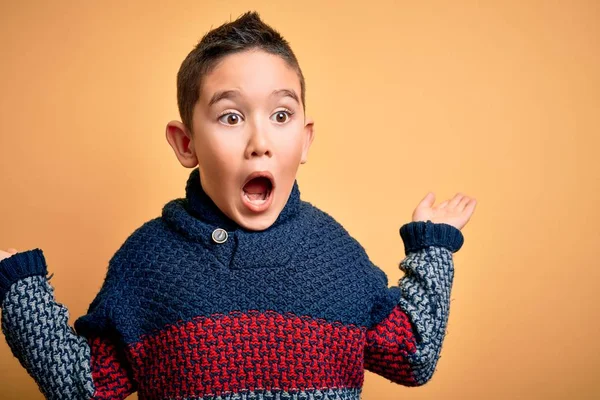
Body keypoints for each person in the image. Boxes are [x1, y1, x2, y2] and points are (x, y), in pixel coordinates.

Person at [0, 11, 476, 400]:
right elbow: (82, 385)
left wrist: (433, 249)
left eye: (282, 115)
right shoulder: (148, 263)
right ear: (186, 143)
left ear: (305, 140)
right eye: (231, 116)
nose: (260, 141)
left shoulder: (336, 256)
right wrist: (19, 291)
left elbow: (413, 356)